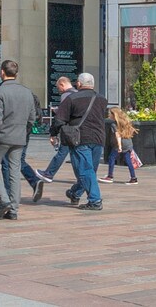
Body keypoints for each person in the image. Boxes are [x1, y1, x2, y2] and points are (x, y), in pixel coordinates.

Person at [0, 59, 37, 220]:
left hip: (2, 136)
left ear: (2, 72)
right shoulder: (27, 92)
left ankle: (5, 200)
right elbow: (32, 118)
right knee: (14, 171)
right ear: (16, 73)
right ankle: (13, 209)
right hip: (19, 136)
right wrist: (24, 131)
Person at [52, 72, 107, 209]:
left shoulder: (72, 99)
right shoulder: (102, 99)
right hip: (98, 138)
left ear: (79, 84)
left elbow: (59, 119)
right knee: (90, 171)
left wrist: (53, 134)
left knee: (84, 171)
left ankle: (95, 200)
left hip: (80, 139)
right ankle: (75, 193)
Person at [24, 74, 74, 201]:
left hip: (68, 131)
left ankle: (49, 173)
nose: (59, 91)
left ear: (62, 84)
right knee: (76, 157)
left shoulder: (66, 95)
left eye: (59, 88)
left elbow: (62, 117)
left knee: (61, 153)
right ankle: (78, 189)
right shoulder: (77, 94)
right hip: (78, 131)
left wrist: (53, 133)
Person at [109, 106, 141, 185]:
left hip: (120, 144)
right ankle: (133, 178)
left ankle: (110, 176)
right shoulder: (125, 121)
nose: (108, 116)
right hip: (128, 143)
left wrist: (119, 146)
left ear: (114, 115)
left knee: (111, 158)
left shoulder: (114, 124)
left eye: (110, 114)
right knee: (128, 160)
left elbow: (118, 135)